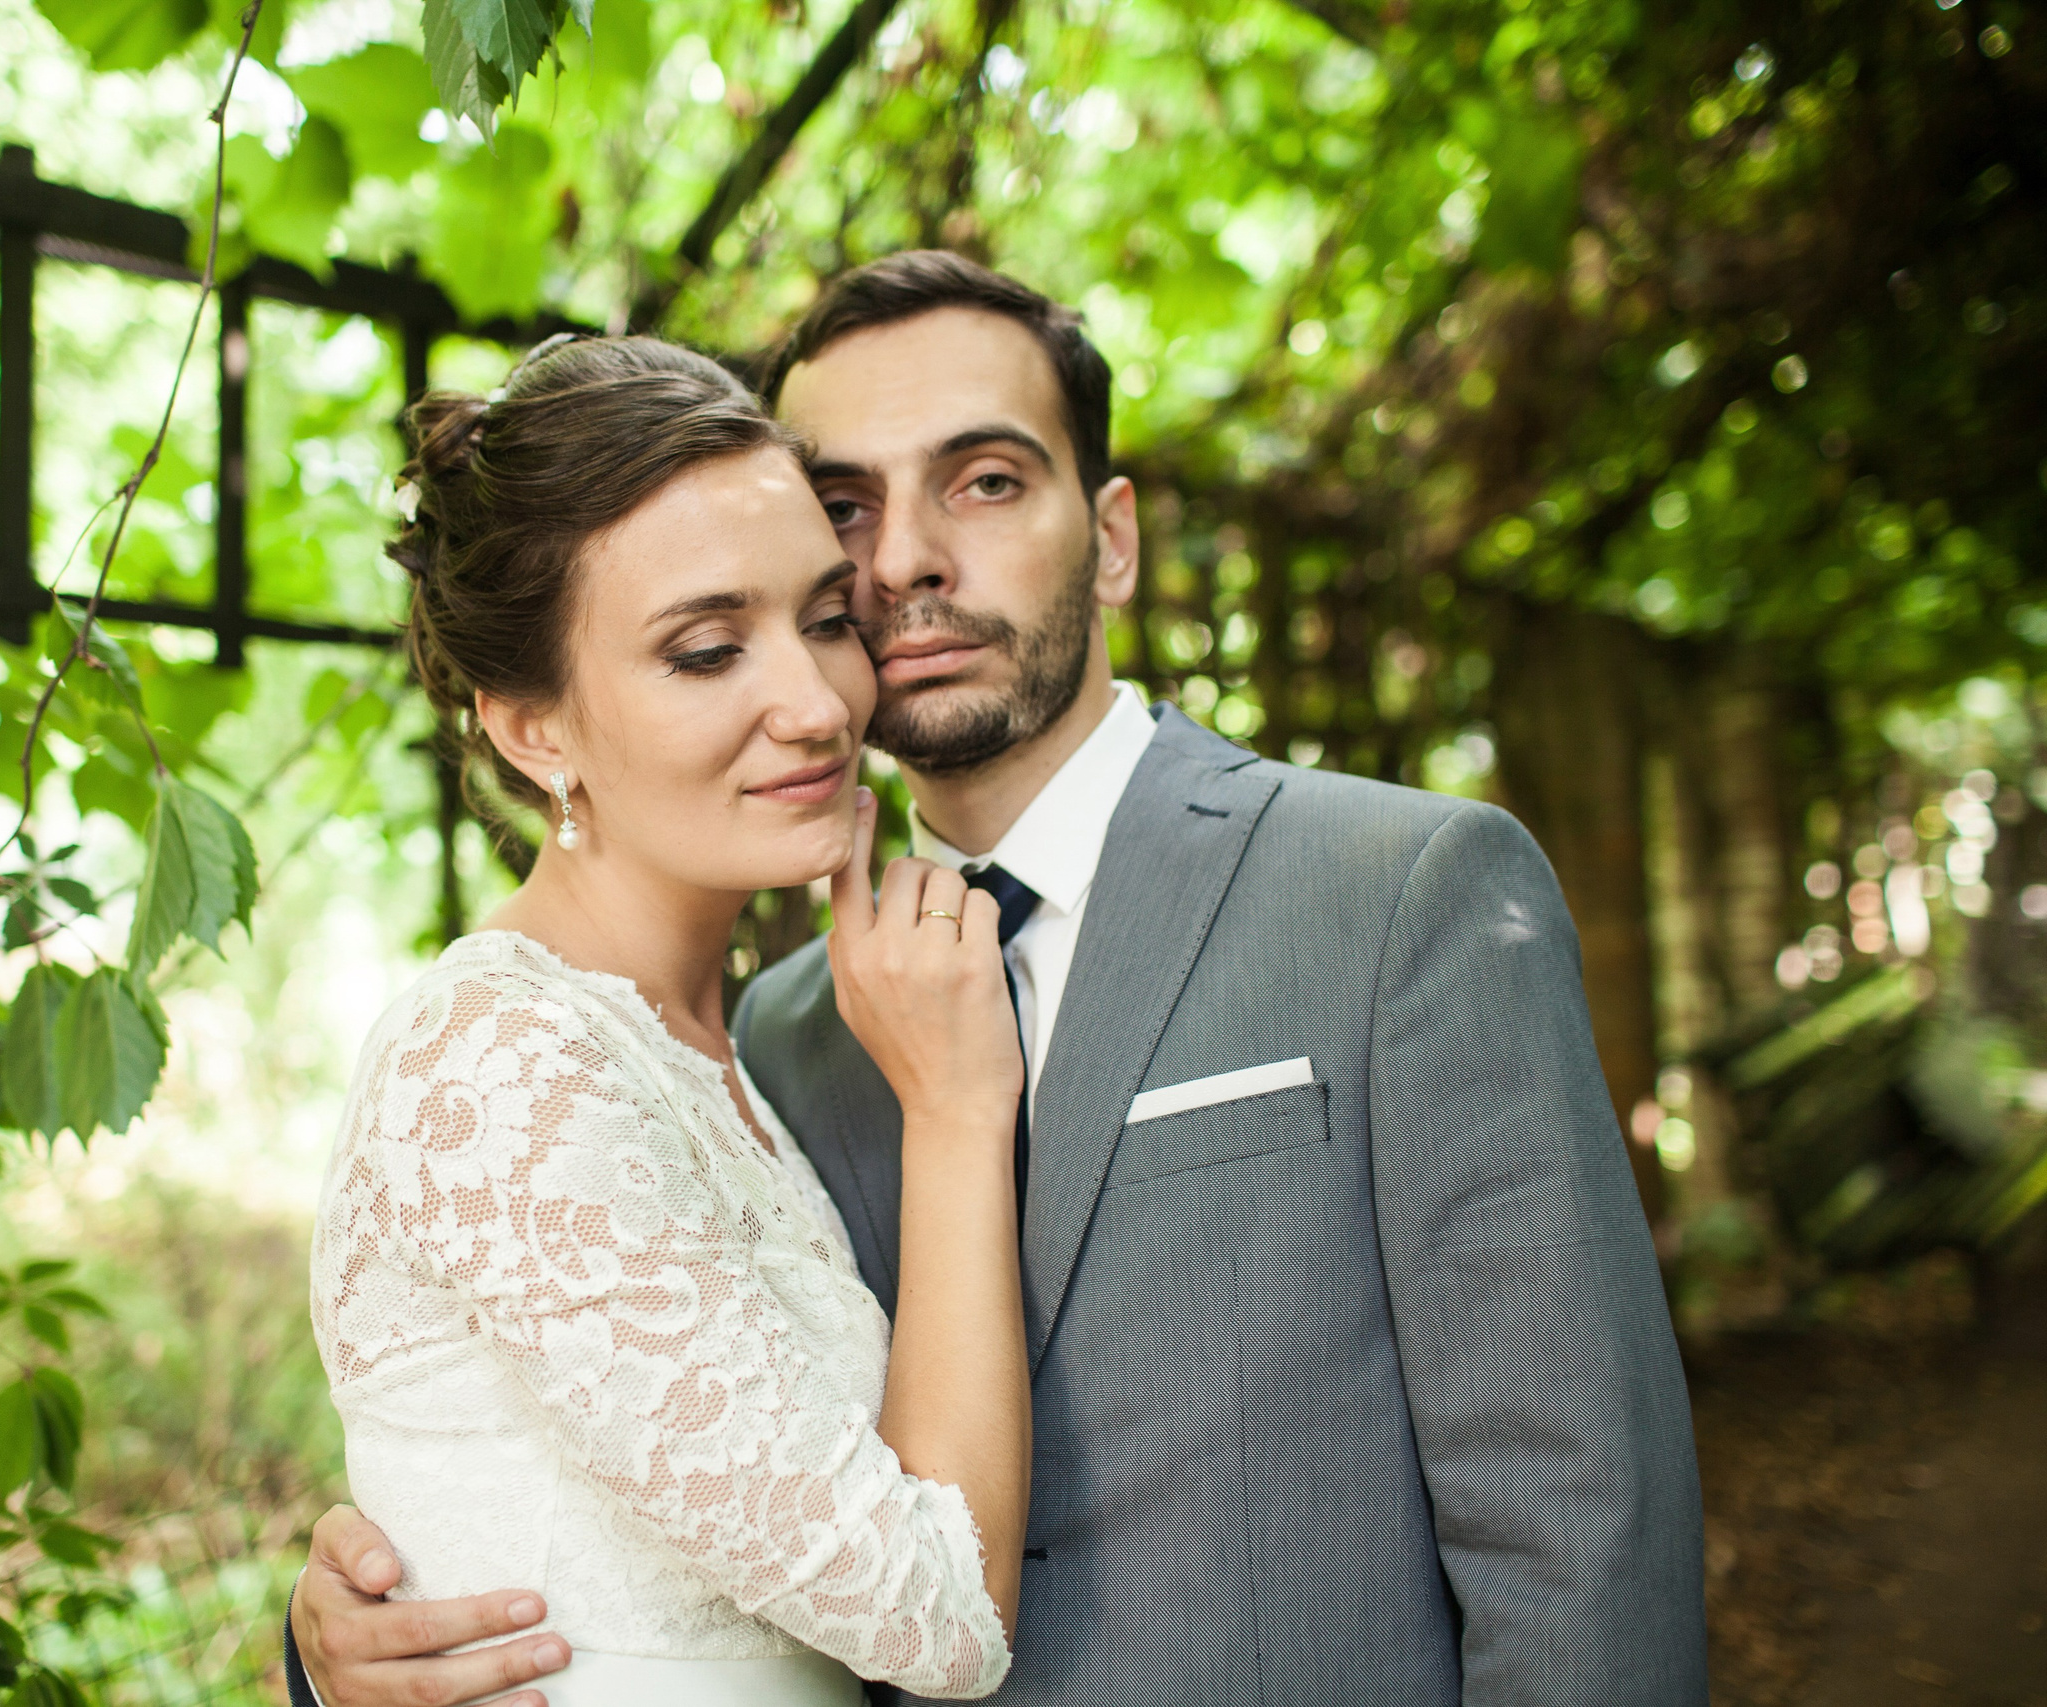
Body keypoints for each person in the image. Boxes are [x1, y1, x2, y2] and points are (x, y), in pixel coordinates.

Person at [289, 255, 1709, 1706]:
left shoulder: (1399, 895)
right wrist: (357, 1626)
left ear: (1109, 539)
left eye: (982, 481)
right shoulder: (767, 1040)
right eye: (847, 507)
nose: (899, 560)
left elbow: (1580, 1533)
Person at [299, 333, 1036, 1707]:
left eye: (825, 620)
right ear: (532, 729)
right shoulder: (499, 1064)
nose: (819, 706)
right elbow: (939, 1622)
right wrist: (955, 1110)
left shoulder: (735, 1045)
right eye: (706, 650)